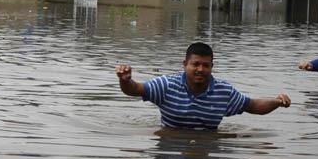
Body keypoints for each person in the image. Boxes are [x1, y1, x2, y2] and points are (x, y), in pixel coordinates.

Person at [116, 42, 291, 130]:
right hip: (170, 145)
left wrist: (276, 102)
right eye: (195, 64)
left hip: (207, 149)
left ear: (212, 67)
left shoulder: (224, 92)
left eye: (206, 65)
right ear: (185, 64)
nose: (200, 69)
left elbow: (253, 106)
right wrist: (125, 80)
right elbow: (134, 90)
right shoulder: (167, 85)